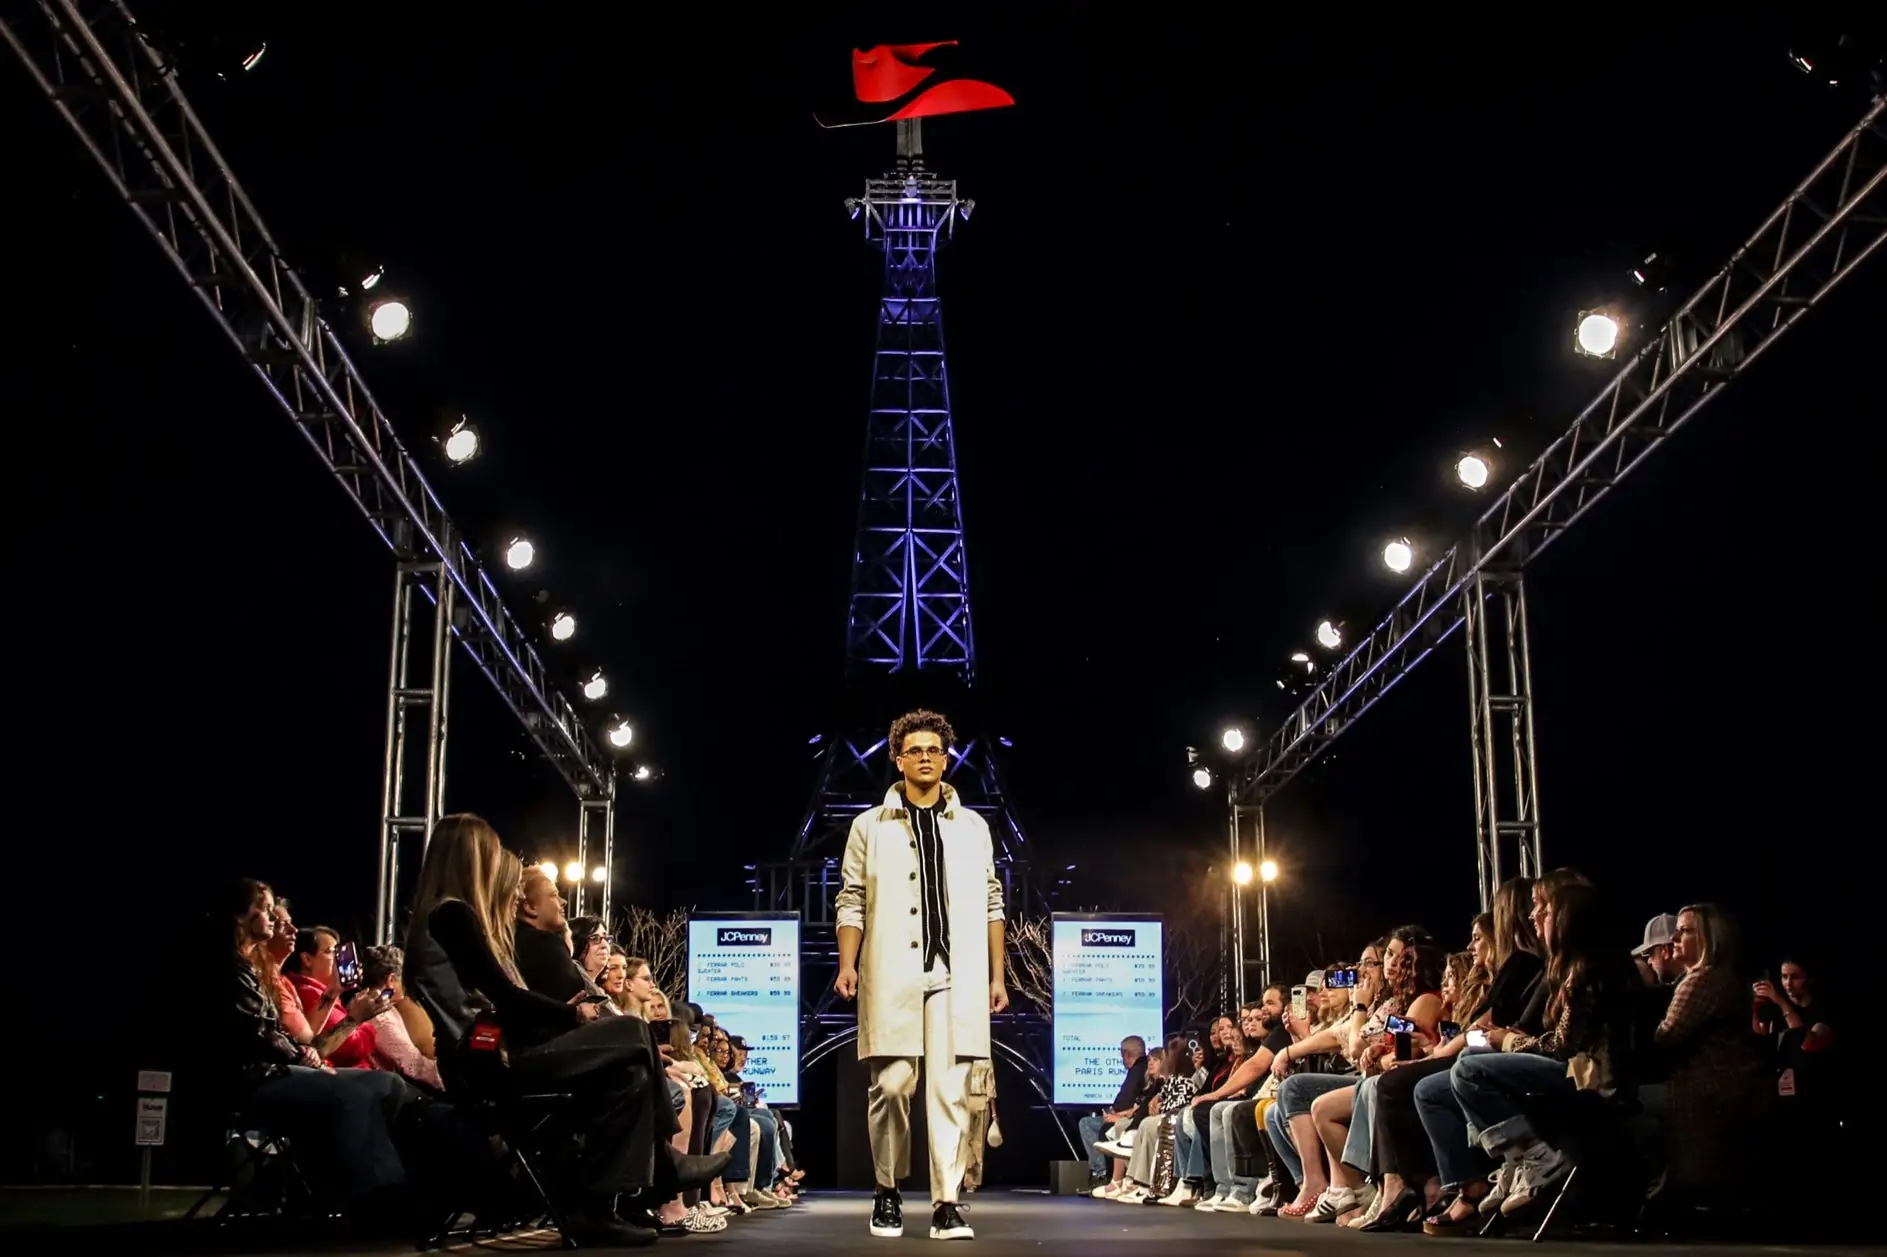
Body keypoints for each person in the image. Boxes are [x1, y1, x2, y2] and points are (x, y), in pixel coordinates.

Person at [835, 709, 1008, 1242]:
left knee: (949, 1092)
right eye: (915, 750)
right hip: (892, 969)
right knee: (891, 1084)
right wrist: (847, 964)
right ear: (898, 759)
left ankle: (946, 1203)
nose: (926, 757)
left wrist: (997, 977)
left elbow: (992, 901)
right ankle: (887, 1188)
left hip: (957, 973)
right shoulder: (869, 826)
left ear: (947, 758)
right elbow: (851, 899)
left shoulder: (973, 827)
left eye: (934, 749)